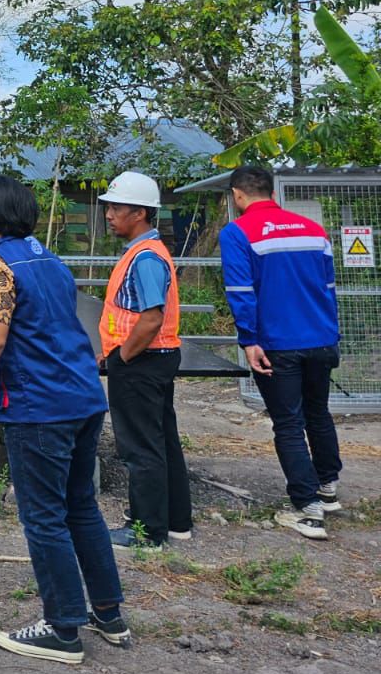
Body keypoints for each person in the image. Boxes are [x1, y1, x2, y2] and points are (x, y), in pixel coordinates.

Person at [0, 175, 127, 665]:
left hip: (40, 407)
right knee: (80, 507)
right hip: (83, 397)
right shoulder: (50, 261)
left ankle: (63, 628)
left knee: (44, 518)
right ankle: (108, 613)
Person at [219, 165, 343, 540]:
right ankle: (328, 487)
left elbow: (240, 291)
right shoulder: (313, 230)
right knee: (318, 412)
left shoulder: (237, 231)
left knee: (289, 423)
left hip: (277, 343)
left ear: (238, 195)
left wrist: (249, 340)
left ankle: (307, 509)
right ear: (270, 191)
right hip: (321, 339)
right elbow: (328, 285)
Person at [97, 170, 192, 548]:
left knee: (140, 448)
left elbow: (151, 317)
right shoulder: (144, 253)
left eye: (116, 208)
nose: (109, 214)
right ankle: (174, 520)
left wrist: (121, 356)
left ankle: (147, 529)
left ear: (139, 213)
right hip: (153, 359)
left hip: (141, 362)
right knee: (162, 440)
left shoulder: (146, 258)